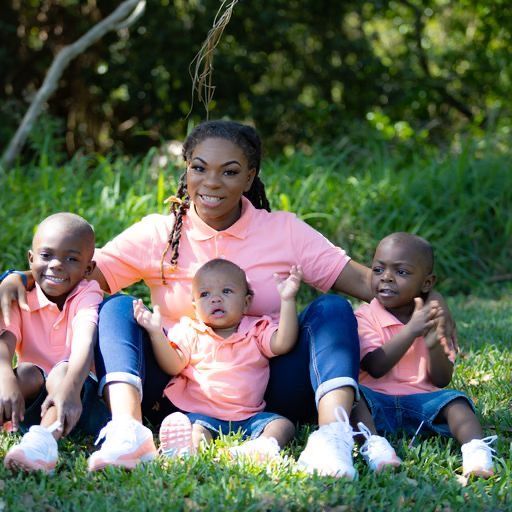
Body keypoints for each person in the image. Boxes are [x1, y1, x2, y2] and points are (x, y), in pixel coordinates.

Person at [0, 120, 455, 479]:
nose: (211, 182)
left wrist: (432, 300)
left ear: (251, 175)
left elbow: (363, 281)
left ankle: (333, 435)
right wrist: (17, 276)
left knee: (332, 310)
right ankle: (127, 430)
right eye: (199, 167)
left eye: (230, 171)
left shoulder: (284, 231)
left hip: (268, 386)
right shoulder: (159, 232)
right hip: (179, 385)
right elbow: (77, 270)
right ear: (186, 169)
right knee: (120, 308)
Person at [350, 232, 496, 477]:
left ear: (427, 283)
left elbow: (441, 379)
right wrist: (412, 330)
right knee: (352, 398)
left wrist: (432, 345)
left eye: (402, 272)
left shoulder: (434, 319)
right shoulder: (365, 316)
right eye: (378, 270)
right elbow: (375, 366)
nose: (386, 277)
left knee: (457, 402)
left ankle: (476, 453)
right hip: (376, 402)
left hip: (423, 403)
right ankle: (374, 446)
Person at [132, 259, 301, 461]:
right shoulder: (190, 331)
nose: (216, 299)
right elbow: (173, 365)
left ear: (246, 302)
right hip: (201, 414)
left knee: (283, 426)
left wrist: (288, 300)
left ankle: (261, 448)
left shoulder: (256, 330)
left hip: (249, 416)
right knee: (194, 431)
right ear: (195, 307)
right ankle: (187, 451)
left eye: (226, 291)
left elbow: (284, 343)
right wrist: (155, 333)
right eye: (205, 294)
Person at [0, 213, 110, 473]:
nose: (57, 265)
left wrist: (70, 390)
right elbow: (5, 345)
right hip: (32, 403)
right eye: (46, 255)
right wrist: (5, 377)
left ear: (88, 270)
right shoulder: (21, 295)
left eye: (71, 259)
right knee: (24, 371)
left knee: (61, 370)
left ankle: (41, 444)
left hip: (79, 397)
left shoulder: (87, 293)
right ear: (31, 259)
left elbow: (84, 344)